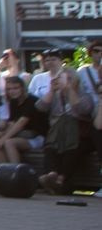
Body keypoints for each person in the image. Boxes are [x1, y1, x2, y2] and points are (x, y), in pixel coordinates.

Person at [37, 49, 94, 194]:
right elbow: (40, 107)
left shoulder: (84, 95)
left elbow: (83, 110)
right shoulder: (55, 95)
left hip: (80, 135)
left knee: (72, 149)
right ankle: (52, 175)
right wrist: (51, 90)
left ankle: (59, 179)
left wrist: (69, 90)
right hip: (58, 135)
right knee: (50, 147)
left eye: (68, 79)